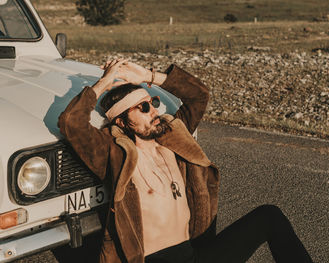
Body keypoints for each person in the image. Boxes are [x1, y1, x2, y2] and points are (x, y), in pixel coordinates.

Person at [58, 59, 313, 263]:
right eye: (143, 108)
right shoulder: (112, 153)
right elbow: (71, 122)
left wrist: (147, 76)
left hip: (195, 254)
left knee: (269, 216)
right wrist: (105, 82)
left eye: (153, 102)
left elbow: (199, 95)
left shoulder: (172, 137)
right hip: (152, 259)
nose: (155, 111)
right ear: (123, 122)